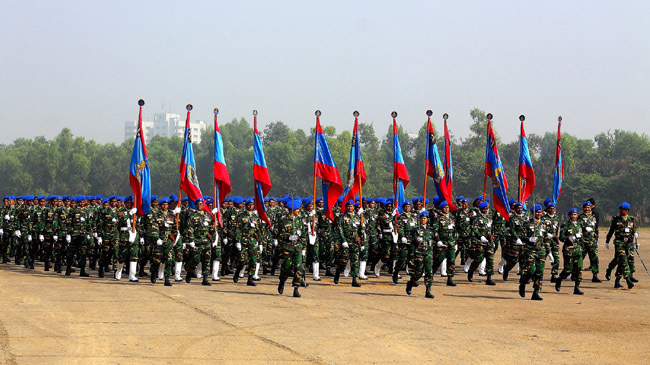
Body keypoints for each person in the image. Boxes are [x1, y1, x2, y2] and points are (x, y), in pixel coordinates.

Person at [277, 197, 307, 298]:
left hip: (298, 248)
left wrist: (303, 248)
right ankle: (282, 281)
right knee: (286, 268)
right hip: (287, 247)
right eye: (297, 209)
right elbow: (279, 234)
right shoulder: (284, 220)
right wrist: (287, 238)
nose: (298, 211)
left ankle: (296, 288)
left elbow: (303, 235)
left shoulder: (300, 220)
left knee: (299, 268)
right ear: (292, 210)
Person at [605, 202, 636, 289]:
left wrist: (635, 238)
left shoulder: (631, 220)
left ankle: (616, 280)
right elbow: (611, 231)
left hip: (628, 243)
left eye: (622, 209)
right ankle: (627, 280)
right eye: (620, 209)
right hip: (619, 242)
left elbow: (633, 231)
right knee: (623, 260)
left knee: (620, 261)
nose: (620, 211)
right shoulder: (616, 219)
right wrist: (607, 241)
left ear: (626, 210)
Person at [518, 205, 546, 300]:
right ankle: (523, 283)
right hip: (530, 250)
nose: (539, 214)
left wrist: (549, 252)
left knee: (540, 272)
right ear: (533, 213)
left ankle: (536, 292)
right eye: (537, 212)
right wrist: (528, 239)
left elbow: (546, 238)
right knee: (531, 270)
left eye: (540, 212)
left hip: (541, 250)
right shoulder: (527, 223)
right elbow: (521, 236)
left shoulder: (544, 223)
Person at [405, 211, 435, 298]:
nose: (423, 220)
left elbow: (435, 239)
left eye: (425, 218)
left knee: (429, 272)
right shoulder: (416, 229)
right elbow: (410, 241)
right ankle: (410, 283)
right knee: (418, 272)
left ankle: (428, 291)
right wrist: (415, 240)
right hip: (419, 253)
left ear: (427, 219)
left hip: (428, 253)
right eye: (421, 218)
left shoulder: (430, 230)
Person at [555, 208, 584, 295]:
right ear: (569, 216)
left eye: (575, 214)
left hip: (577, 249)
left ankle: (577, 288)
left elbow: (583, 236)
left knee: (579, 268)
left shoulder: (579, 224)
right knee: (568, 270)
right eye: (572, 214)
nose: (573, 216)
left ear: (577, 215)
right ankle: (559, 279)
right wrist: (568, 238)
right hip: (568, 250)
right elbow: (561, 237)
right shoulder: (565, 225)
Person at [335, 200, 363, 287]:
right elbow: (340, 229)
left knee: (355, 261)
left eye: (351, 206)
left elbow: (361, 231)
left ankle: (354, 279)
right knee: (343, 260)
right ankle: (337, 273)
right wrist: (343, 240)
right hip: (346, 241)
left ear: (353, 207)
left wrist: (361, 241)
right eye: (348, 206)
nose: (350, 208)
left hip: (355, 242)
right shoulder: (342, 217)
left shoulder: (358, 217)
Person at [467, 201, 496, 285]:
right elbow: (475, 229)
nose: (485, 210)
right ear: (480, 209)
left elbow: (492, 229)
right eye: (483, 209)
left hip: (489, 243)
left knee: (490, 260)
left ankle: (489, 278)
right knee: (478, 259)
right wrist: (480, 236)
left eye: (486, 209)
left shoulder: (489, 218)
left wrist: (492, 239)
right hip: (480, 242)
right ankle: (471, 271)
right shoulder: (477, 219)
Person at [432, 201, 458, 286]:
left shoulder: (451, 218)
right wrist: (438, 240)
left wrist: (455, 240)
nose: (446, 209)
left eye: (447, 208)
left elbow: (454, 230)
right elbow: (435, 230)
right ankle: (430, 275)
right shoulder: (438, 218)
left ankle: (450, 279)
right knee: (438, 260)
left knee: (451, 262)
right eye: (445, 208)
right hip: (442, 243)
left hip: (451, 243)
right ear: (441, 209)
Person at [578, 201, 601, 282]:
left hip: (592, 241)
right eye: (585, 207)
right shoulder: (580, 217)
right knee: (579, 258)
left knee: (594, 259)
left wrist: (596, 238)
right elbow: (577, 228)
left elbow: (595, 228)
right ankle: (576, 274)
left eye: (588, 207)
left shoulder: (593, 217)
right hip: (583, 241)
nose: (587, 209)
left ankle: (595, 275)